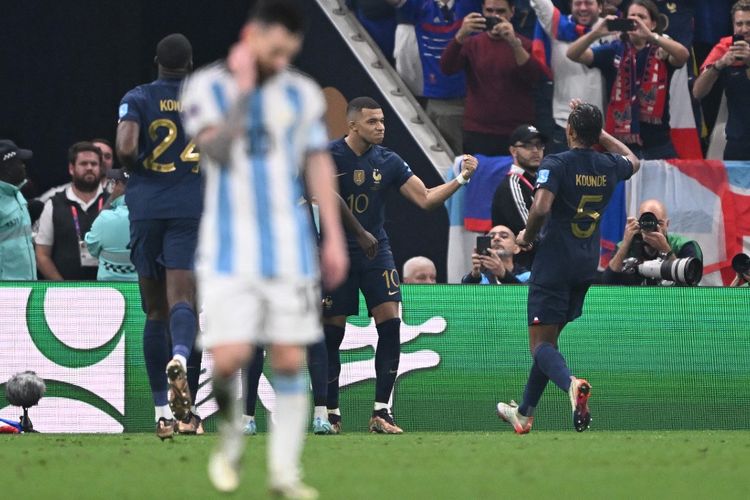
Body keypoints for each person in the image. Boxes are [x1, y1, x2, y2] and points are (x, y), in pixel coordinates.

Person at [179, 1, 349, 496]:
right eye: (274, 50)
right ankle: (230, 445)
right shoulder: (209, 86)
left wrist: (332, 235)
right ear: (251, 35)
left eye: (288, 53)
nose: (280, 60)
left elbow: (317, 160)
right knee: (230, 358)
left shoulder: (300, 92)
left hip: (289, 245)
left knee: (290, 358)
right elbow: (213, 148)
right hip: (230, 246)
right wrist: (245, 93)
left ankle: (284, 474)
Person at [323, 96, 478, 434]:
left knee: (391, 323)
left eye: (382, 121)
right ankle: (331, 413)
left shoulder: (389, 161)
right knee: (331, 332)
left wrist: (461, 179)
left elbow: (425, 199)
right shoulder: (328, 156)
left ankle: (382, 412)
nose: (380, 127)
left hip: (376, 251)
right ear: (352, 125)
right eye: (372, 122)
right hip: (337, 252)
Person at [496, 101, 640, 434]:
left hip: (554, 262)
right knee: (549, 343)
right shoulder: (607, 164)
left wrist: (526, 237)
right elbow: (634, 160)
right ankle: (524, 413)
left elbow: (542, 206)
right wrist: (601, 132)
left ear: (570, 131)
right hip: (586, 263)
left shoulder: (557, 163)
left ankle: (572, 385)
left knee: (540, 346)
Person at [116, 33, 203, 439]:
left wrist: (140, 171)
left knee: (154, 309)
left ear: (156, 61)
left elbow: (126, 147)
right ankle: (182, 360)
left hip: (147, 207)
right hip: (190, 206)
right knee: (184, 299)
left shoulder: (137, 97)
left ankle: (160, 414)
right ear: (190, 65)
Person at [566, 0, 690, 159]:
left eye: (641, 17)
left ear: (652, 24)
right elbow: (573, 54)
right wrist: (596, 33)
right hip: (620, 146)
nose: (635, 21)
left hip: (659, 144)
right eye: (631, 17)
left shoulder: (662, 51)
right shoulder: (614, 50)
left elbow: (683, 55)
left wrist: (651, 37)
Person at [440, 0, 544, 155]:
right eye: (489, 11)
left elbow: (534, 77)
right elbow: (446, 67)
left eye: (501, 11)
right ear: (482, 11)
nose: (495, 16)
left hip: (516, 131)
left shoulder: (525, 44)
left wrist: (514, 43)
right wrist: (460, 35)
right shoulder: (472, 44)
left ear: (512, 12)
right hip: (478, 130)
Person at [388, 0, 483, 154]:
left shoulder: (470, 4)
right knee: (449, 161)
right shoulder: (421, 5)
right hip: (438, 99)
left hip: (473, 99)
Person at [530, 0, 606, 152]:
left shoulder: (611, 30)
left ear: (601, 7)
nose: (583, 8)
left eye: (588, 3)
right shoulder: (557, 26)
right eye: (578, 3)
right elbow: (540, 3)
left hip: (603, 130)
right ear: (571, 7)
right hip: (566, 125)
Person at [35, 141, 106, 281]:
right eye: (84, 164)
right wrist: (63, 288)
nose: (89, 168)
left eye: (94, 164)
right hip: (65, 294)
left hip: (110, 290)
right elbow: (42, 255)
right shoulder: (54, 204)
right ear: (71, 168)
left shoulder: (114, 203)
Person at [692, 0, 750, 161]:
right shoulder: (725, 47)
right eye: (739, 24)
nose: (744, 29)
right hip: (737, 143)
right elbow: (697, 92)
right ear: (733, 25)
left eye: (749, 23)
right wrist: (719, 65)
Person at [603, 198, 703, 285]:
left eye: (659, 223)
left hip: (673, 303)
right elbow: (607, 283)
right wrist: (625, 243)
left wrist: (666, 250)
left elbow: (691, 288)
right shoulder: (626, 246)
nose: (653, 228)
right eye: (646, 222)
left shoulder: (684, 246)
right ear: (638, 223)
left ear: (667, 224)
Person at [490, 124, 545, 268]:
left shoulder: (540, 181)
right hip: (520, 270)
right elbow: (530, 233)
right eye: (528, 145)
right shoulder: (512, 185)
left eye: (539, 145)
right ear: (513, 151)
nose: (535, 151)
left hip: (537, 266)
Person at [84, 169, 137, 282]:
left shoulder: (105, 219)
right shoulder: (149, 217)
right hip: (143, 290)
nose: (112, 188)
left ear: (119, 185)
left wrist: (112, 199)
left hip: (109, 291)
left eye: (114, 183)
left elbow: (92, 249)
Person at [0, 139, 36, 280]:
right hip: (5, 290)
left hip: (28, 285)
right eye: (18, 162)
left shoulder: (17, 193)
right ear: (7, 166)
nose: (23, 165)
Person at [462, 224, 530, 284]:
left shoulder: (528, 277)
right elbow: (462, 296)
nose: (496, 238)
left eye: (504, 236)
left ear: (516, 248)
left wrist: (503, 274)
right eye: (491, 237)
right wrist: (474, 277)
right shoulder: (479, 278)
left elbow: (527, 296)